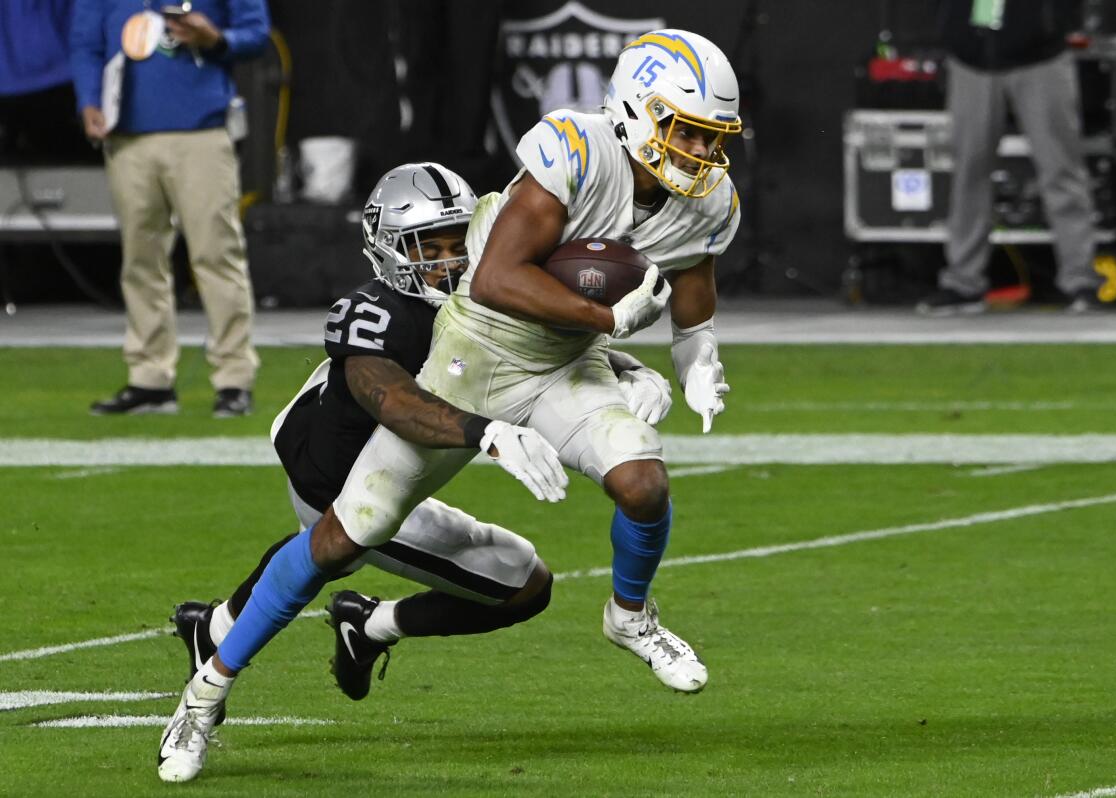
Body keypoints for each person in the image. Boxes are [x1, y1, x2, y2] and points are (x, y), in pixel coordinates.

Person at [157, 162, 674, 782]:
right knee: (391, 554)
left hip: (369, 461)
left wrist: (632, 371)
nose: (450, 262)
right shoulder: (378, 310)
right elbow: (394, 402)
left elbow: (547, 350)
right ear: (387, 251)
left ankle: (282, 628)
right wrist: (484, 433)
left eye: (459, 244)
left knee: (357, 555)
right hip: (336, 473)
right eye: (429, 249)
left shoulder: (493, 291)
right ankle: (226, 679)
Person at [70, 0, 267, 416]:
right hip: (127, 136)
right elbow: (86, 43)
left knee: (216, 254)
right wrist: (89, 100)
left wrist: (215, 38)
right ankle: (150, 378)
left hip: (202, 132)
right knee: (140, 260)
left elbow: (256, 33)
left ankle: (234, 378)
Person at [916, 0, 1103, 315]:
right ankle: (964, 282)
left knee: (1061, 168)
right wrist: (954, 29)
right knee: (968, 173)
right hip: (972, 58)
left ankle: (1080, 278)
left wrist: (1053, 23)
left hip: (1040, 58)